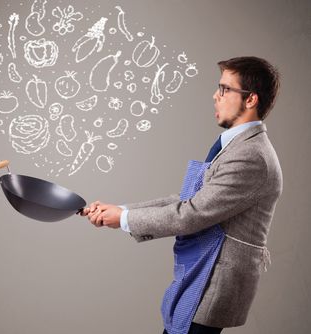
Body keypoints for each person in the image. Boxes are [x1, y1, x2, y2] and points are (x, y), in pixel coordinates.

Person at [81, 56, 283, 334]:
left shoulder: (251, 155)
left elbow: (193, 213)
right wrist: (122, 210)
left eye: (225, 89)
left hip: (212, 281)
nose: (215, 96)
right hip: (201, 274)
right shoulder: (238, 146)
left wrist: (125, 219)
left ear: (251, 100)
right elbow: (188, 199)